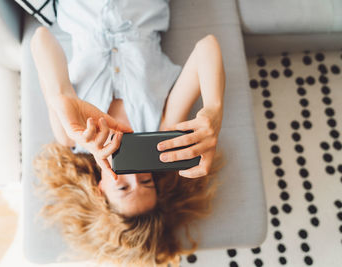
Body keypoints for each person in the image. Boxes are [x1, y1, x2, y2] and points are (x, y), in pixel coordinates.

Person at [31, 0, 225, 266]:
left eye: (123, 187)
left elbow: (41, 39)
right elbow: (207, 47)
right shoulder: (163, 126)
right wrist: (213, 109)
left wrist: (61, 98)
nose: (135, 175)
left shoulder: (72, 136)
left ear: (100, 189)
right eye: (147, 182)